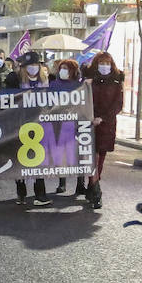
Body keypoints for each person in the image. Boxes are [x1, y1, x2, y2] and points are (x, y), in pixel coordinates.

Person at [86, 51, 124, 210]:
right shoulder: (90, 81)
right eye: (102, 63)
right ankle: (96, 192)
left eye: (107, 63)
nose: (104, 66)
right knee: (91, 157)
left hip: (106, 125)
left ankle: (93, 184)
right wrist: (91, 117)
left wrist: (102, 118)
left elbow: (118, 105)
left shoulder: (116, 82)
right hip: (89, 124)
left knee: (100, 157)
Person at [14, 52, 51, 207]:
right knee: (20, 159)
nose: (33, 68)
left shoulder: (47, 81)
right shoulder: (15, 80)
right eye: (29, 65)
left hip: (39, 125)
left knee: (39, 159)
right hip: (20, 124)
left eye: (36, 65)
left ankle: (40, 194)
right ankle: (21, 193)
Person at [51, 58, 87, 196]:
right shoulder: (53, 85)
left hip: (76, 124)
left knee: (79, 155)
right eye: (61, 68)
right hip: (59, 123)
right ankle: (62, 183)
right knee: (62, 154)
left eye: (66, 68)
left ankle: (80, 183)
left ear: (72, 71)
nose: (63, 71)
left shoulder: (79, 86)